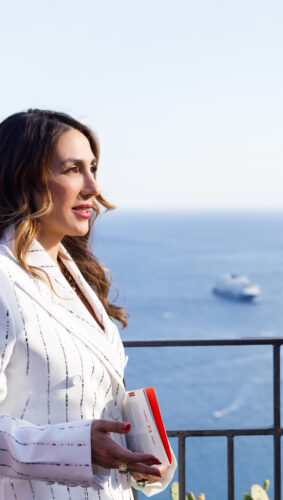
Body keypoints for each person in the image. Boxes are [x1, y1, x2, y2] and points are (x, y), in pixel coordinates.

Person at [0, 109, 176, 498]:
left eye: (92, 168)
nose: (93, 188)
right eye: (72, 169)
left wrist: (135, 453)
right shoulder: (3, 280)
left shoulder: (74, 273)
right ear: (24, 179)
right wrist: (79, 449)